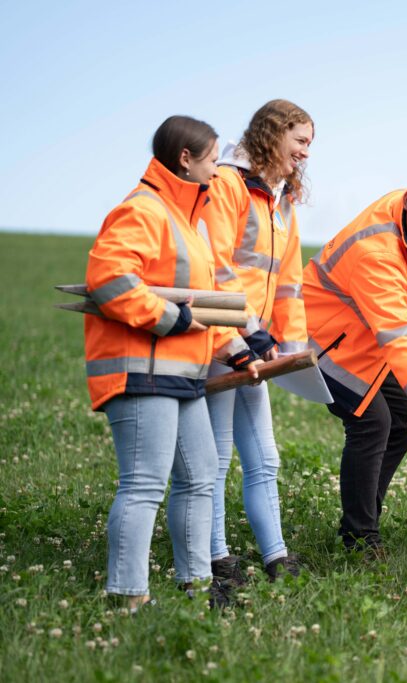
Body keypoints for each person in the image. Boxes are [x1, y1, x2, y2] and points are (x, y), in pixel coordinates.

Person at [85, 116, 257, 610]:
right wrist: (169, 319)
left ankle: (198, 589)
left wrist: (232, 346)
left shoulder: (187, 220)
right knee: (144, 484)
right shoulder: (142, 211)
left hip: (183, 375)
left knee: (201, 477)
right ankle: (127, 597)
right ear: (186, 158)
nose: (217, 169)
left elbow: (201, 303)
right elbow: (110, 279)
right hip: (143, 372)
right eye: (211, 158)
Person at [302, 168, 407, 554]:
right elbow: (398, 335)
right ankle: (360, 538)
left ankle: (362, 517)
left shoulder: (403, 216)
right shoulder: (376, 251)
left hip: (362, 340)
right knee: (373, 422)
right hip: (319, 340)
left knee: (406, 416)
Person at [201, 100, 313, 584]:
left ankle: (276, 559)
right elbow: (214, 268)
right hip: (219, 340)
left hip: (257, 346)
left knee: (265, 457)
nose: (306, 153)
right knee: (219, 456)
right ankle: (217, 559)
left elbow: (289, 281)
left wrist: (291, 350)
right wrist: (248, 331)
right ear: (274, 134)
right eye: (301, 141)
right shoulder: (226, 184)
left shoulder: (282, 198)